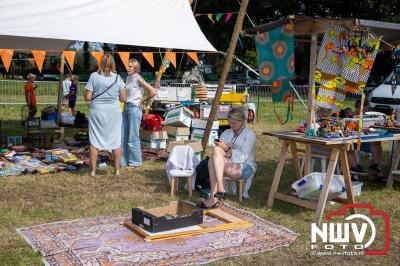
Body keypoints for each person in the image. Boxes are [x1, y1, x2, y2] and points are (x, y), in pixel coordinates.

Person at [198, 107, 257, 209]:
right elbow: (218, 153)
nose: (231, 125)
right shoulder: (226, 133)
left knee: (213, 163)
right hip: (227, 164)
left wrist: (226, 149)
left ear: (242, 121)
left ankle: (214, 196)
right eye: (230, 123)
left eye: (234, 123)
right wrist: (224, 148)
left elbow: (243, 157)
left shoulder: (249, 134)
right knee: (215, 154)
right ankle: (218, 190)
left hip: (245, 167)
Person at [84, 54, 126, 177]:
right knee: (116, 140)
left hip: (97, 111)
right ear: (113, 63)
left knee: (94, 140)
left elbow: (87, 97)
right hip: (114, 112)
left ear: (100, 62)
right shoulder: (118, 78)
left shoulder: (94, 76)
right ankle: (117, 170)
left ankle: (93, 171)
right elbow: (123, 98)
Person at [121, 59, 156, 168]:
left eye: (130, 66)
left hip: (134, 109)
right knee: (123, 136)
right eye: (128, 66)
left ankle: (135, 163)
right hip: (126, 107)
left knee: (133, 137)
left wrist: (142, 101)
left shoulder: (138, 77)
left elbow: (153, 91)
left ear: (135, 68)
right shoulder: (127, 78)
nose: (128, 68)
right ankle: (123, 162)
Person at [347, 99, 384, 180]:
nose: (365, 111)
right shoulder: (351, 117)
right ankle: (376, 168)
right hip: (356, 141)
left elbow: (371, 127)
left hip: (365, 139)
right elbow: (350, 129)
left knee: (377, 143)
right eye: (363, 109)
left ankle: (377, 167)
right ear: (357, 108)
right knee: (375, 144)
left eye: (366, 109)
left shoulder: (367, 116)